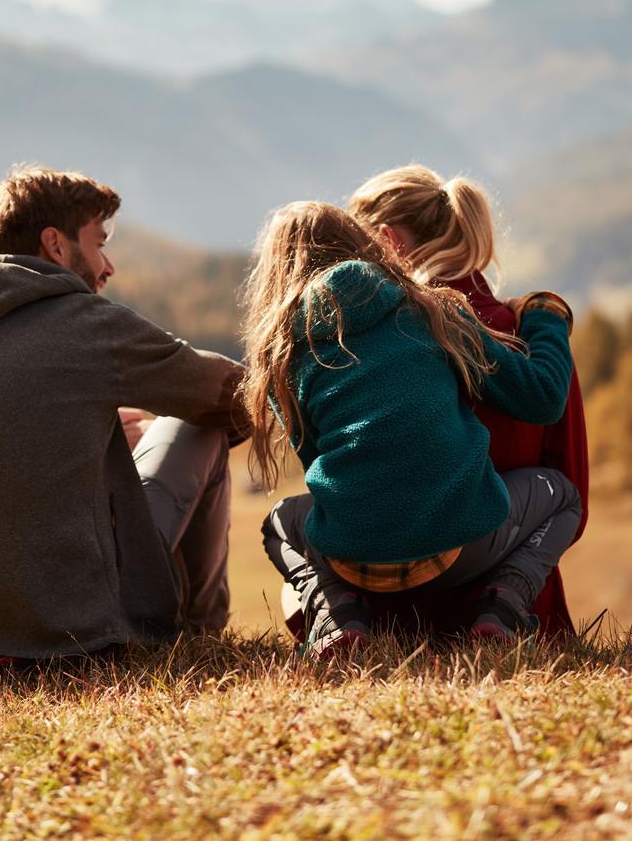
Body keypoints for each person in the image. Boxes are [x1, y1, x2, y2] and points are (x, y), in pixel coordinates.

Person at [0, 165, 245, 668]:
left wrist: (100, 438)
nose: (108, 266)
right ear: (56, 245)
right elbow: (232, 393)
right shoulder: (91, 324)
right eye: (99, 242)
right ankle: (197, 631)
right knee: (199, 425)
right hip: (60, 634)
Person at [245, 202, 579, 655]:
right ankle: (503, 606)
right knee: (562, 494)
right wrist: (545, 315)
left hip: (353, 560)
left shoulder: (282, 352)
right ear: (362, 242)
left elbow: (318, 470)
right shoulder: (429, 309)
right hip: (462, 548)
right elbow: (542, 396)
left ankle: (335, 618)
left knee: (279, 522)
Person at [348, 164, 590, 637]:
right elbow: (572, 487)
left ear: (388, 241)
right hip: (518, 619)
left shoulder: (377, 340)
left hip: (391, 616)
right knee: (562, 493)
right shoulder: (531, 336)